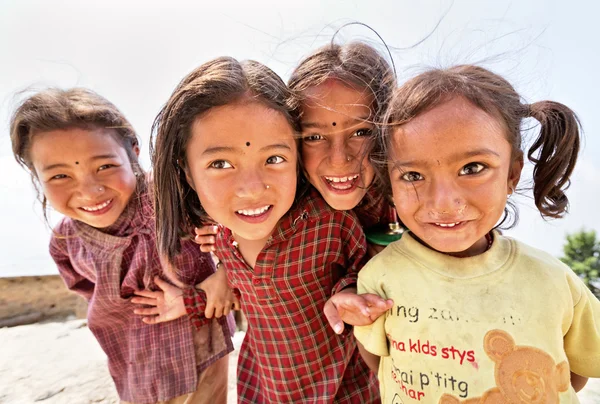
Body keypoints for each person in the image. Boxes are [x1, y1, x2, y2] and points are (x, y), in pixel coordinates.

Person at [353, 65, 600, 403]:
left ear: (512, 173)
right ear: (390, 182)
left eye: (472, 168)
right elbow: (381, 362)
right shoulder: (380, 278)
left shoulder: (553, 281)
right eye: (412, 175)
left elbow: (574, 373)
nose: (442, 202)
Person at [150, 56, 380, 403]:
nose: (251, 188)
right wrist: (188, 301)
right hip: (264, 389)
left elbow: (364, 271)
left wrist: (351, 295)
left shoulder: (329, 223)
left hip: (345, 390)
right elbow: (238, 291)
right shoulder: (222, 237)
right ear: (185, 171)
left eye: (273, 159)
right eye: (221, 164)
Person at [9, 88, 233, 404]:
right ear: (36, 177)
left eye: (104, 166)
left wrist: (218, 283)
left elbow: (241, 237)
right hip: (133, 365)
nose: (89, 190)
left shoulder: (173, 198)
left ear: (133, 152)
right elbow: (90, 294)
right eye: (60, 175)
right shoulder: (65, 243)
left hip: (197, 349)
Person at [191, 41, 398, 332]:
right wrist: (225, 266)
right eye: (314, 137)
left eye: (361, 132)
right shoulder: (287, 213)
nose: (339, 159)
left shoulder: (412, 203)